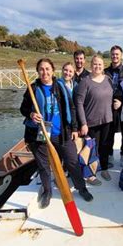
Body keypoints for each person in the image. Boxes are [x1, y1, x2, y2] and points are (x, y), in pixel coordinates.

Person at [20, 58, 93, 208]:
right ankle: (47, 192)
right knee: (43, 165)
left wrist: (74, 128)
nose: (45, 72)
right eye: (41, 69)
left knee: (72, 161)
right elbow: (23, 108)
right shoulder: (32, 88)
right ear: (38, 71)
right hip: (40, 135)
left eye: (47, 69)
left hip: (61, 133)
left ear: (53, 70)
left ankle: (81, 187)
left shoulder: (60, 86)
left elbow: (72, 108)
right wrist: (31, 115)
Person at [75, 55, 115, 184]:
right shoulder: (85, 81)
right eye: (95, 64)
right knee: (91, 149)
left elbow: (114, 94)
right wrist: (83, 123)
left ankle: (103, 168)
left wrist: (118, 101)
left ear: (103, 66)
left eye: (100, 64)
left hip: (107, 120)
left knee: (105, 147)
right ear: (91, 66)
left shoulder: (108, 80)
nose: (97, 67)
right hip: (91, 122)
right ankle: (89, 174)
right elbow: (79, 103)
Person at [104, 45, 123, 167]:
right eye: (113, 54)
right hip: (109, 107)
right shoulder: (106, 72)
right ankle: (110, 155)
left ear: (121, 55)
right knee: (109, 133)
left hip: (122, 107)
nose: (115, 56)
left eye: (117, 54)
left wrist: (122, 102)